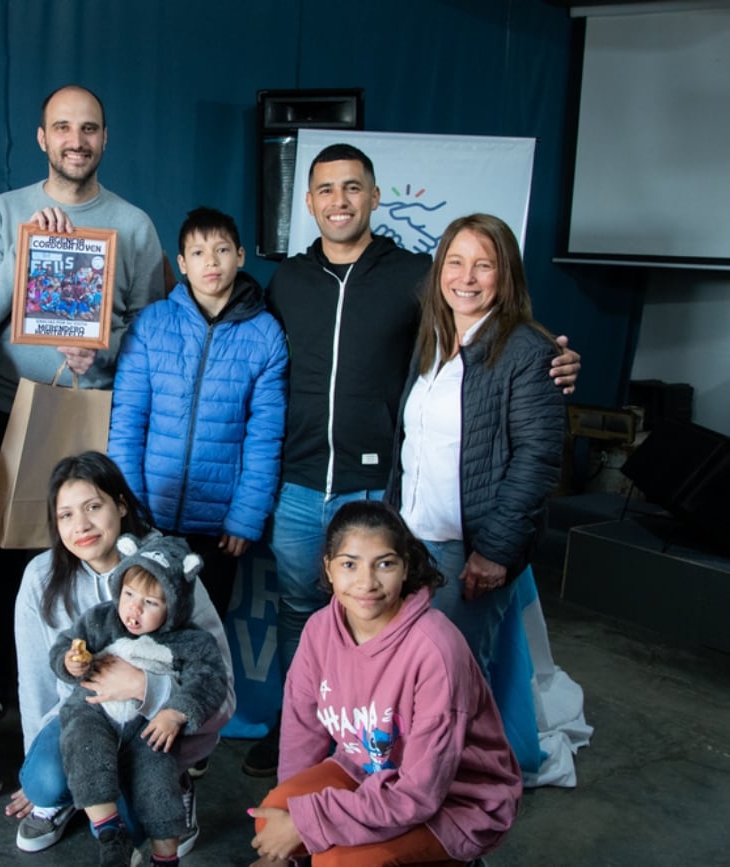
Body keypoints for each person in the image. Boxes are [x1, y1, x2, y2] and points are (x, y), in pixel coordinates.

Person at [250, 142, 582, 777]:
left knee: (383, 634)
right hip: (297, 484)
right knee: (302, 617)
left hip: (377, 494)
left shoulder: (415, 278)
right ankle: (302, 734)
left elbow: (525, 417)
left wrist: (558, 361)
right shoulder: (287, 281)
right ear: (310, 202)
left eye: (353, 188)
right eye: (325, 189)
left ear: (375, 198)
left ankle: (413, 772)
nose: (339, 201)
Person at [0, 84, 165, 716]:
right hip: (12, 406)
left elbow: (153, 329)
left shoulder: (132, 224)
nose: (76, 141)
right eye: (63, 128)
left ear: (105, 138)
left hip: (94, 412)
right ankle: (2, 689)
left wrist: (102, 350)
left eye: (89, 129)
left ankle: (95, 686)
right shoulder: (7, 210)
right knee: (4, 558)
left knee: (93, 552)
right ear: (42, 139)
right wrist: (25, 248)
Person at [249, 500, 521, 866]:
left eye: (385, 563)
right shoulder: (318, 630)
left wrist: (310, 823)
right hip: (366, 770)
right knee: (272, 817)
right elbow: (302, 732)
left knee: (340, 862)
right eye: (349, 564)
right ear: (329, 569)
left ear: (406, 567)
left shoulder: (436, 649)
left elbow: (421, 792)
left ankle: (456, 858)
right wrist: (293, 830)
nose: (367, 583)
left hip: (452, 798)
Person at [10, 451, 234, 857]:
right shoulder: (40, 577)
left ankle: (176, 784)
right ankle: (68, 793)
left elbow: (223, 694)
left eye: (94, 507)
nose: (81, 526)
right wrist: (40, 767)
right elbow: (36, 684)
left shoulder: (169, 572)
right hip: (85, 721)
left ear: (121, 505)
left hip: (153, 729)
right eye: (65, 516)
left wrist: (145, 687)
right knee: (44, 780)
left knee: (135, 824)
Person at [388, 213, 565, 678]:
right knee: (409, 678)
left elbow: (538, 458)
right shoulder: (432, 341)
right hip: (412, 540)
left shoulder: (526, 350)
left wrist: (494, 551)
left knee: (455, 682)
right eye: (455, 262)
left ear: (505, 276)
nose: (466, 278)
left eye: (483, 265)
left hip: (466, 552)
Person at [108, 206, 287, 617]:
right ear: (183, 264)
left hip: (218, 527)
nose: (212, 262)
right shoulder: (153, 324)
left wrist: (245, 517)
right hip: (148, 515)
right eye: (199, 253)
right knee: (141, 626)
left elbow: (265, 436)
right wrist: (129, 506)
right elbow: (127, 420)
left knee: (204, 634)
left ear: (240, 257)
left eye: (222, 250)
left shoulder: (265, 335)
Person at [52, 534, 229, 867]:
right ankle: (110, 832)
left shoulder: (191, 640)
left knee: (158, 782)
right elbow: (65, 645)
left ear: (174, 605)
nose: (134, 608)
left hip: (146, 726)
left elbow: (209, 682)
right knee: (82, 745)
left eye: (151, 603)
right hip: (94, 712)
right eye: (129, 595)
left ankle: (166, 856)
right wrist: (69, 661)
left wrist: (177, 711)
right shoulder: (100, 619)